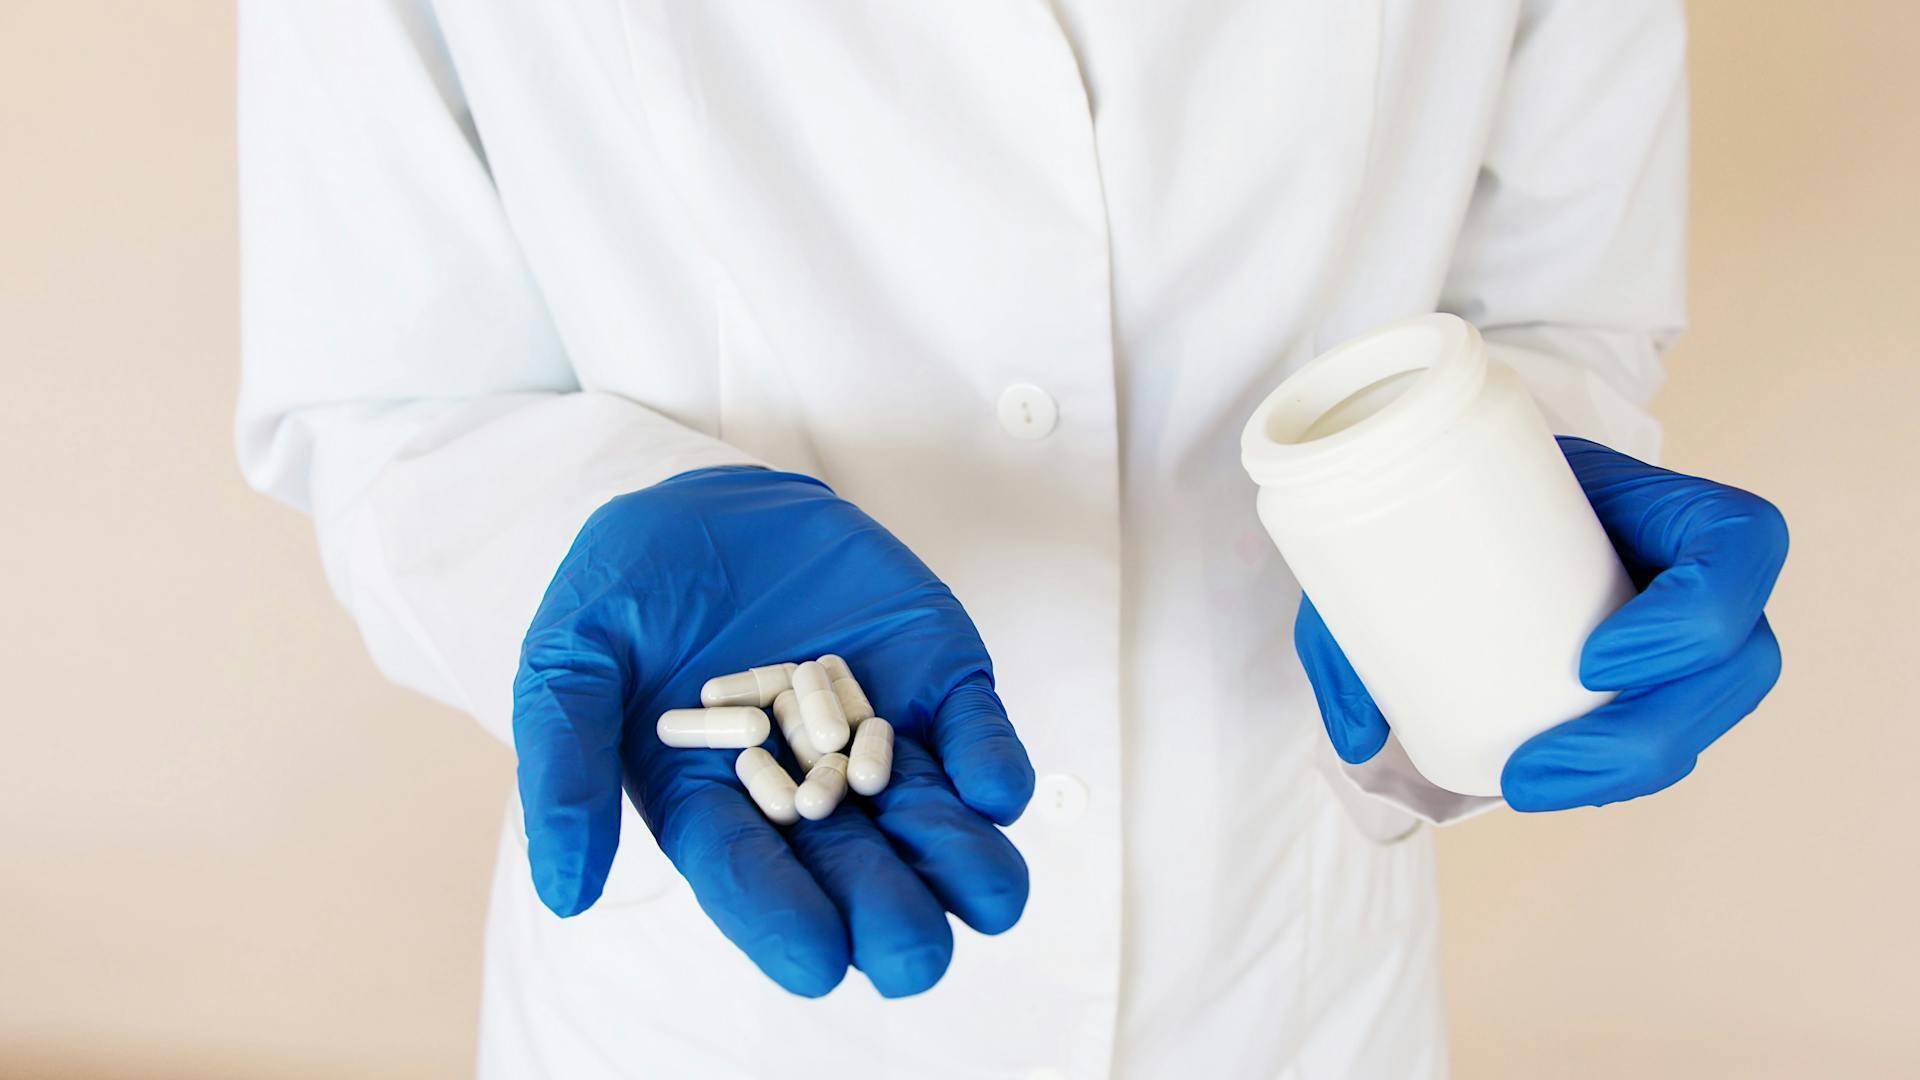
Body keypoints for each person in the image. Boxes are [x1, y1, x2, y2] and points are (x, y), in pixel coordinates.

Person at [236, 3, 1787, 1077]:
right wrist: (594, 531)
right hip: (719, 1008)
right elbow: (385, 394)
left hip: (1282, 976)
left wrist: (1509, 548)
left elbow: (1555, 308)